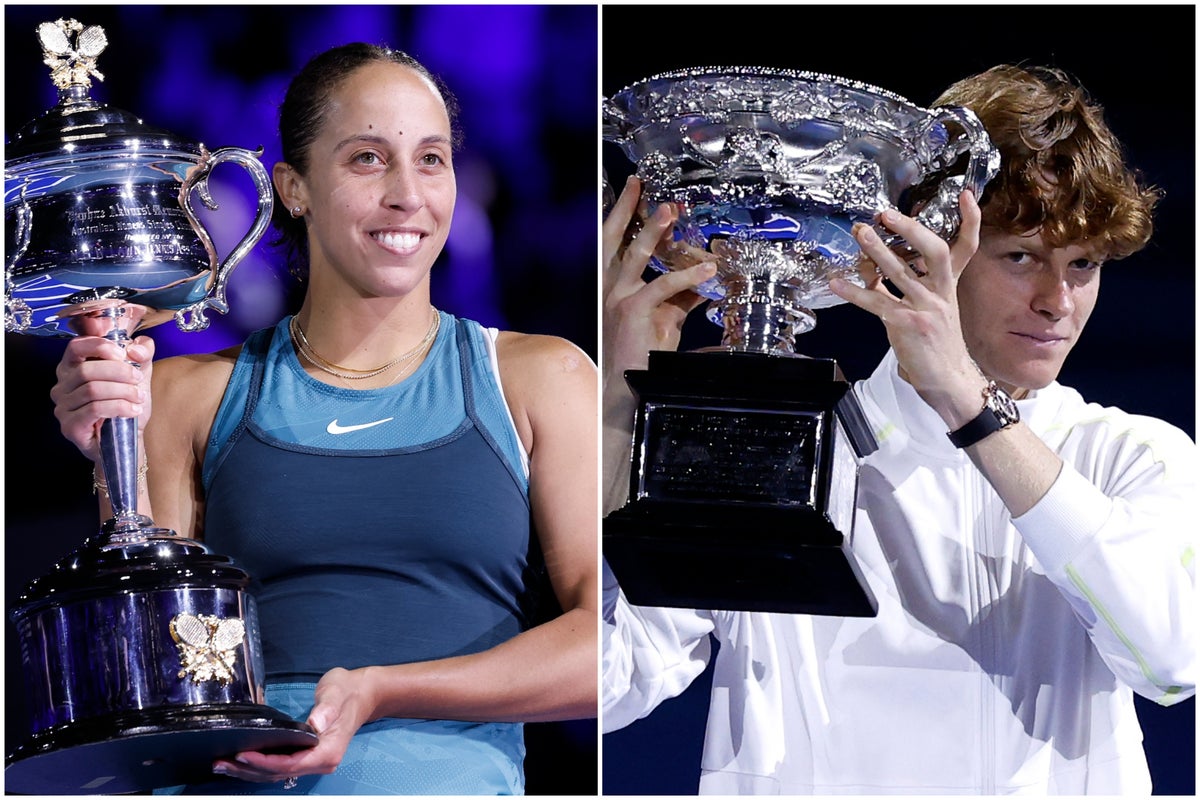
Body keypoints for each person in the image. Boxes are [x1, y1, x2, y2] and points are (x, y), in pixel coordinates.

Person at [602, 64, 1196, 794]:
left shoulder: (1132, 454)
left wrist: (971, 407)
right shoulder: (781, 446)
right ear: (918, 250)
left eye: (1084, 266)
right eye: (1021, 256)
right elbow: (607, 684)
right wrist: (617, 414)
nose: (1058, 301)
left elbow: (1172, 661)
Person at [50, 42, 597, 794]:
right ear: (293, 188)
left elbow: (604, 652)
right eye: (368, 159)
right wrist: (113, 452)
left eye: (431, 159)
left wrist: (384, 690)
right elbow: (151, 673)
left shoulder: (541, 380)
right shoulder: (184, 395)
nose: (408, 194)